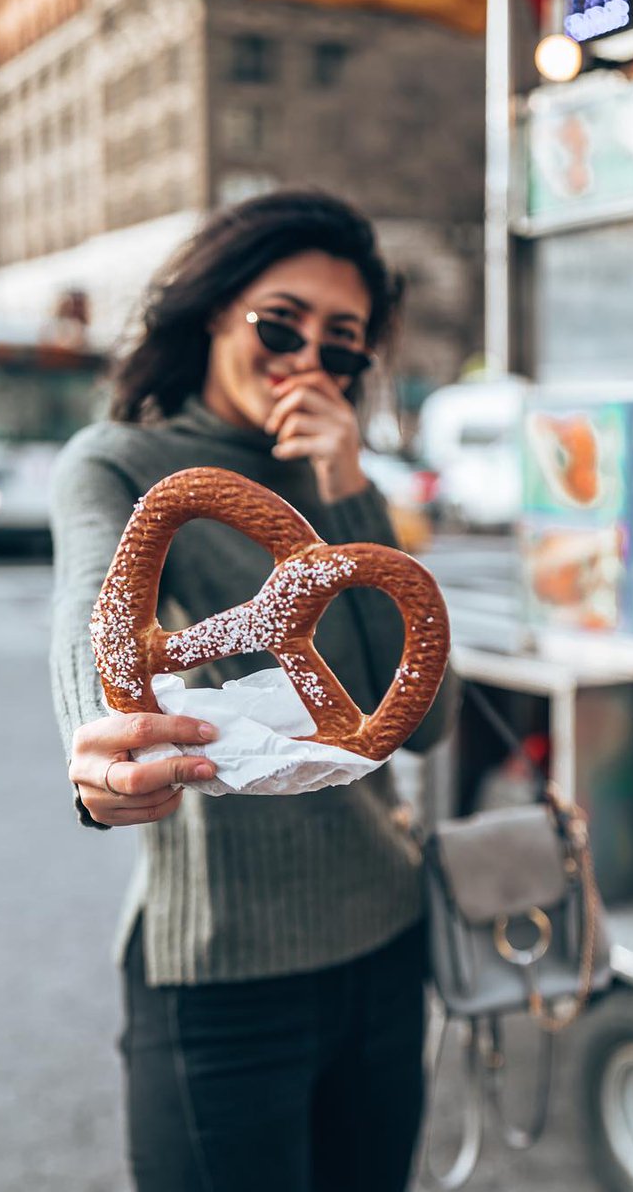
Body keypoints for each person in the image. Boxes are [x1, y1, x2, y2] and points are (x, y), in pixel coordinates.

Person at [50, 189, 457, 1192]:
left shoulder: (350, 484)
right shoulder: (117, 464)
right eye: (281, 323)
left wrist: (349, 488)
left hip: (383, 942)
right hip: (221, 971)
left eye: (343, 343)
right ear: (215, 311)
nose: (306, 358)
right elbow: (92, 628)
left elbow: (428, 720)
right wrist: (98, 751)